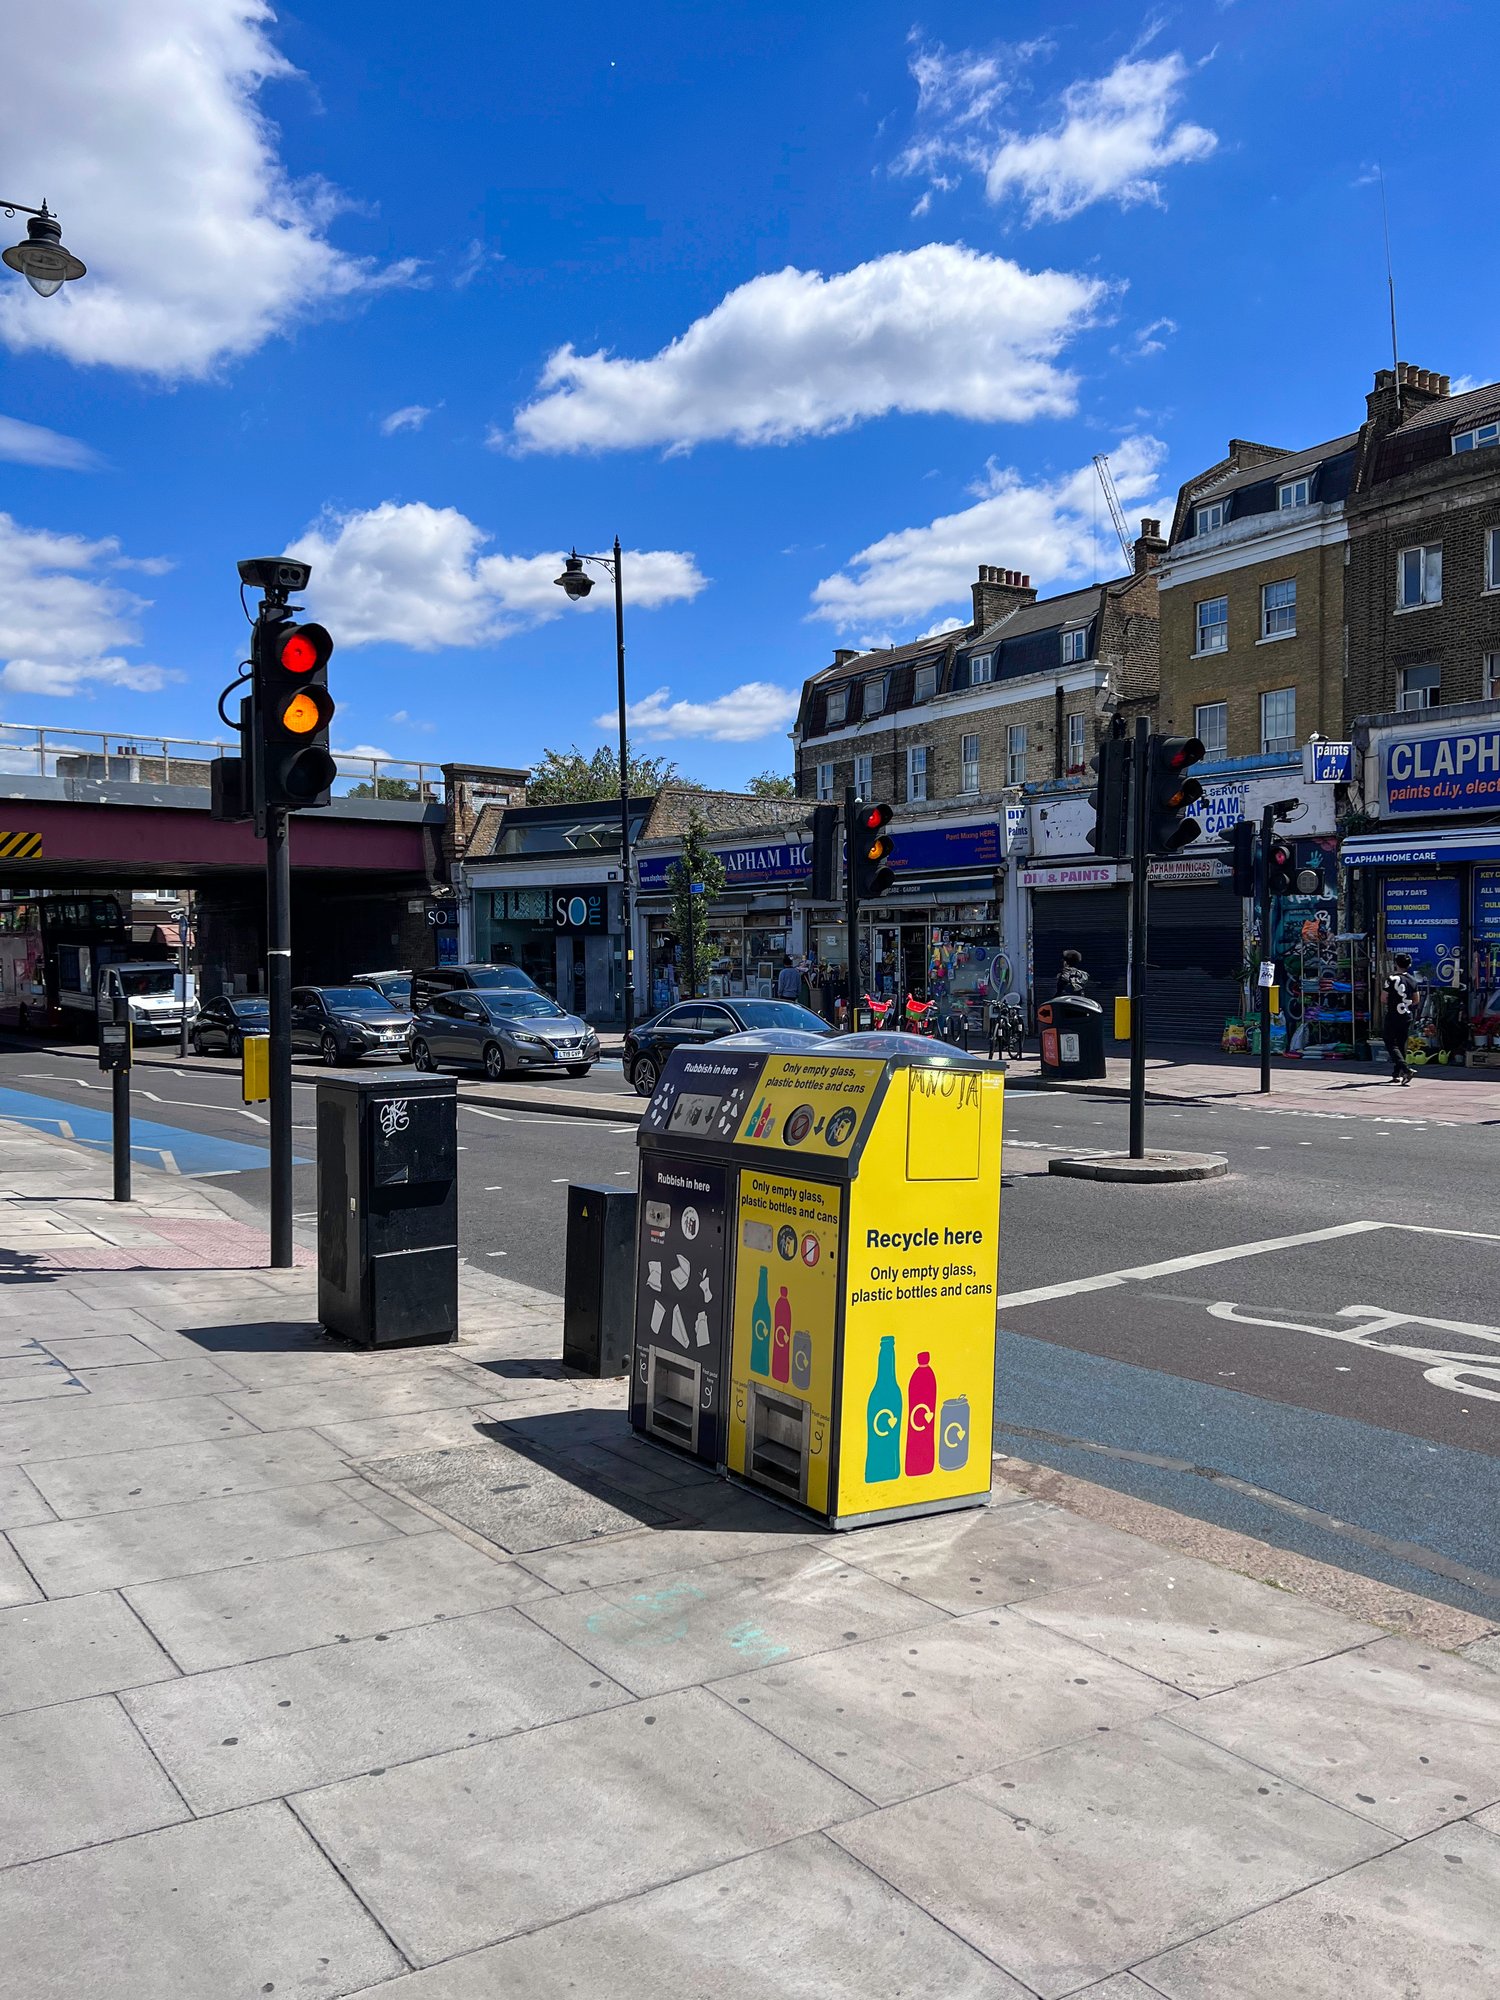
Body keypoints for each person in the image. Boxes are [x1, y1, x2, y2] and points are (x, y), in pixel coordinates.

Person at [1381, 952, 1418, 1084]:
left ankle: (1405, 1069)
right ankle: (1397, 1073)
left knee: (1390, 1042)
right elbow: (1416, 1000)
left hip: (1393, 1015)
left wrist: (1394, 1002)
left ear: (1396, 964)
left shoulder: (1390, 979)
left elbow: (1383, 998)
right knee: (1401, 1043)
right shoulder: (1412, 980)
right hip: (1406, 1015)